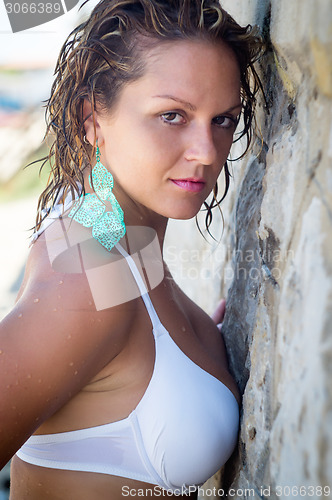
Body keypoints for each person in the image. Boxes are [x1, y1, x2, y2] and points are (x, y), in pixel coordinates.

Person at [1, 0, 263, 498]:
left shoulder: (116, 236)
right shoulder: (83, 281)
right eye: (172, 115)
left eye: (223, 120)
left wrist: (199, 347)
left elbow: (125, 358)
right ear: (92, 120)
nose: (207, 152)